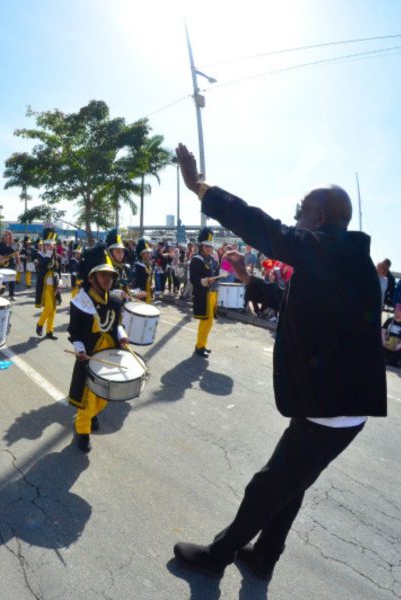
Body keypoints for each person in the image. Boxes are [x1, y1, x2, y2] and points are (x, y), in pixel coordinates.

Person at [172, 142, 387, 581]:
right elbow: (291, 302)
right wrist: (249, 279)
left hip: (331, 408)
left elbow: (262, 227)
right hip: (332, 406)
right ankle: (264, 556)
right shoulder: (343, 260)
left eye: (300, 210)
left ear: (319, 218)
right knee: (291, 485)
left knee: (268, 486)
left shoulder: (330, 250)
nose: (295, 219)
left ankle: (217, 557)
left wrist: (200, 188)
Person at [67, 243, 130, 453]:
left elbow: (117, 324)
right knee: (87, 399)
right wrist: (79, 348)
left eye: (110, 276)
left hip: (109, 354)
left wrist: (122, 336)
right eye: (103, 275)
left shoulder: (113, 300)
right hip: (89, 356)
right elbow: (74, 331)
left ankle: (94, 414)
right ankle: (82, 432)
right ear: (91, 278)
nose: (108, 279)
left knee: (104, 397)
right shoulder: (80, 302)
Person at [189, 228, 219, 358]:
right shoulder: (197, 259)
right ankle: (199, 347)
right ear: (201, 246)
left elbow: (215, 273)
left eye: (210, 246)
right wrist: (207, 280)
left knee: (209, 321)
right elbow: (193, 279)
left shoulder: (212, 260)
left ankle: (202, 345)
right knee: (206, 321)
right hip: (202, 294)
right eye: (207, 246)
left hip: (211, 294)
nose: (209, 249)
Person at [33, 228, 61, 340]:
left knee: (53, 309)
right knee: (48, 307)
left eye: (52, 244)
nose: (50, 246)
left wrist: (60, 281)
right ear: (44, 245)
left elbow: (58, 271)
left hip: (54, 285)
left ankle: (49, 331)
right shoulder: (40, 255)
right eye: (47, 244)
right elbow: (42, 266)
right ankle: (40, 324)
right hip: (44, 286)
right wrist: (48, 254)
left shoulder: (56, 256)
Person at [0, 230, 19, 300]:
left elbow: (17, 254)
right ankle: (0, 293)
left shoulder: (14, 244)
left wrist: (19, 264)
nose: (5, 236)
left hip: (11, 264)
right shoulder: (0, 244)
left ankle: (11, 295)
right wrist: (0, 256)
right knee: (2, 280)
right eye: (4, 235)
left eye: (6, 235)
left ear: (10, 235)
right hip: (1, 263)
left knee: (11, 280)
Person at [132, 238, 155, 303]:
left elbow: (150, 277)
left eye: (149, 253)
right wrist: (137, 293)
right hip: (141, 293)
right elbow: (135, 281)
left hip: (148, 291)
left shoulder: (148, 264)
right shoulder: (138, 266)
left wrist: (152, 285)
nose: (149, 255)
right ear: (142, 254)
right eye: (147, 253)